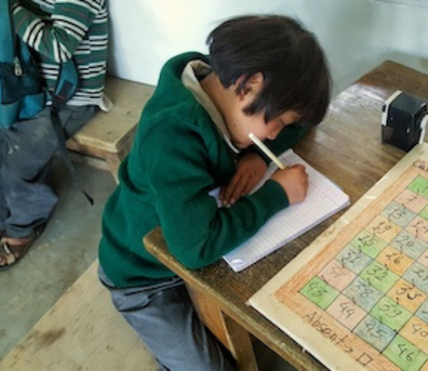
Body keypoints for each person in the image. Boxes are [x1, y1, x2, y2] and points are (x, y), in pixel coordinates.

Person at [97, 15, 331, 370]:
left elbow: (301, 125)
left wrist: (253, 155)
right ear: (249, 85)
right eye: (278, 122)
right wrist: (275, 195)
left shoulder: (219, 89)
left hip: (189, 244)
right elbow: (194, 248)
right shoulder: (173, 134)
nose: (275, 135)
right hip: (140, 273)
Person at [0, 0, 110, 268]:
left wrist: (8, 6)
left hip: (69, 98)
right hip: (31, 89)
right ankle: (0, 219)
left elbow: (58, 47)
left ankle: (23, 228)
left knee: (18, 164)